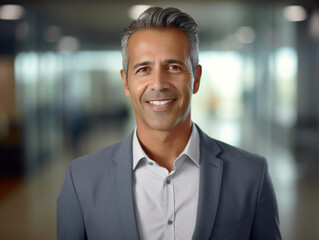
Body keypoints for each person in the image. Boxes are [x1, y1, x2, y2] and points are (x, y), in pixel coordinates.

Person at [57, 7, 282, 240]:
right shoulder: (81, 181)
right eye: (144, 69)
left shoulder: (251, 175)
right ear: (126, 83)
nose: (158, 84)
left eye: (174, 67)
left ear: (196, 79)